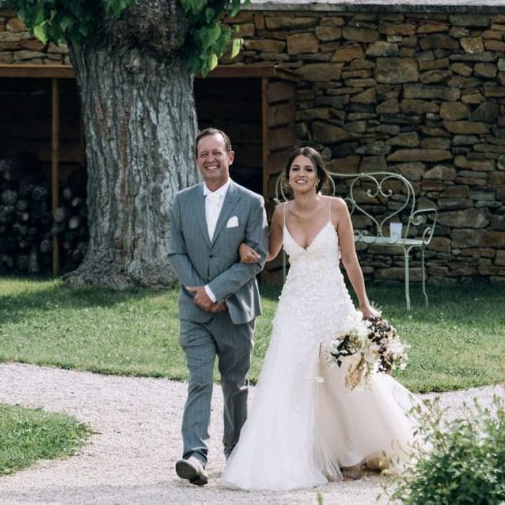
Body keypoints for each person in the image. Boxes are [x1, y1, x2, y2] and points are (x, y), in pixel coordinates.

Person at [220, 146, 417, 491]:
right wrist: (244, 251)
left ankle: (354, 451)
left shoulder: (336, 208)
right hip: (295, 306)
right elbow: (269, 253)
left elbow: (350, 261)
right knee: (289, 377)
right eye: (295, 168)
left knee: (346, 381)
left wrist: (365, 307)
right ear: (288, 176)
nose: (301, 174)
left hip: (332, 304)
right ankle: (297, 455)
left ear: (318, 176)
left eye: (307, 169)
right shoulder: (281, 212)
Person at [167, 128, 269, 486]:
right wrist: (200, 292)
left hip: (237, 312)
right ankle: (194, 455)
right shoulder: (182, 201)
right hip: (194, 311)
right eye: (202, 154)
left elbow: (257, 259)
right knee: (199, 381)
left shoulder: (251, 202)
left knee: (235, 384)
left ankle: (237, 452)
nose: (209, 159)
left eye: (216, 152)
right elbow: (175, 252)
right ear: (196, 160)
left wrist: (215, 291)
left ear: (230, 156)